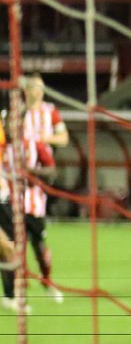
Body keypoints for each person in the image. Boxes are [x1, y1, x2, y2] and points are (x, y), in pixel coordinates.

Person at [2, 88, 61, 310]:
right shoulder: (2, 145)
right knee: (8, 247)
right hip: (7, 202)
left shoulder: (34, 145)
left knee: (38, 246)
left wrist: (31, 171)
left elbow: (52, 171)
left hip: (32, 203)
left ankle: (47, 281)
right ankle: (11, 294)